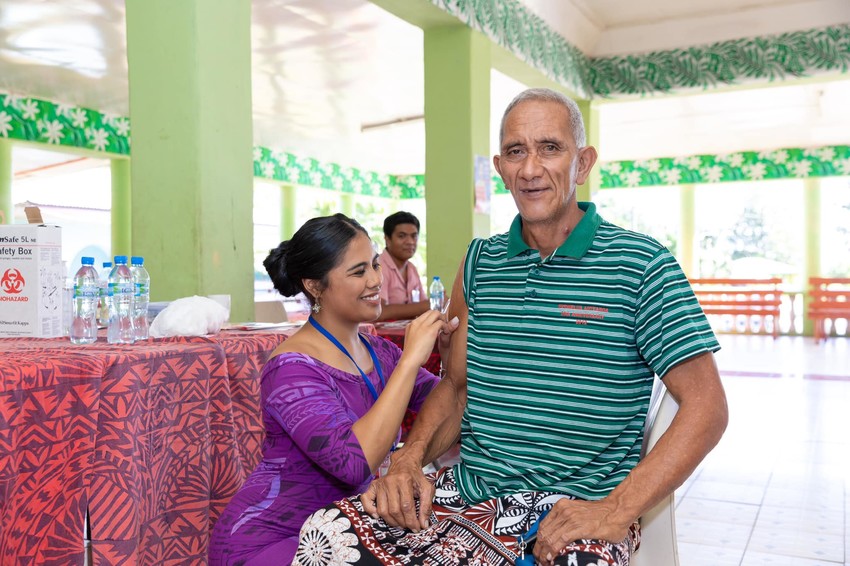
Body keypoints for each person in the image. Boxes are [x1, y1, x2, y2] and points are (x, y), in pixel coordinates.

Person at [293, 89, 728, 565]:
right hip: (466, 495)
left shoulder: (642, 264)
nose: (530, 168)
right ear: (500, 168)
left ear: (582, 164)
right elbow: (456, 388)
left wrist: (615, 509)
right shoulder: (478, 263)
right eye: (516, 151)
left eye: (550, 148)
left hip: (576, 508)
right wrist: (408, 460)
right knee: (327, 534)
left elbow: (706, 407)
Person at [208, 213, 457, 565]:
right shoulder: (292, 369)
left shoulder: (378, 351)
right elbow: (353, 464)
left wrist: (449, 364)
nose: (374, 280)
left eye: (373, 265)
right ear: (313, 285)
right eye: (358, 272)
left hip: (342, 527)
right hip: (276, 539)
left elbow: (450, 404)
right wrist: (410, 362)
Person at [375, 211, 430, 321]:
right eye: (402, 236)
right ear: (387, 239)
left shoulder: (412, 268)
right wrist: (424, 306)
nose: (410, 242)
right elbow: (378, 311)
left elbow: (425, 305)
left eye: (414, 236)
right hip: (382, 336)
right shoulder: (378, 266)